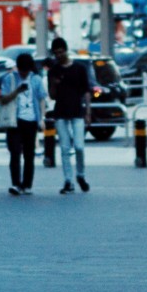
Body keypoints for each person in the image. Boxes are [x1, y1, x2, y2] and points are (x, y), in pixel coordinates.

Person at [0, 51, 46, 196]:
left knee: (29, 154)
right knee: (15, 153)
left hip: (31, 120)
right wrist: (17, 90)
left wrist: (41, 118)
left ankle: (27, 184)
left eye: (26, 70)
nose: (23, 73)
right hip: (14, 121)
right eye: (21, 70)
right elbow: (3, 99)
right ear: (17, 67)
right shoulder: (9, 79)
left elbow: (42, 98)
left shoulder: (36, 79)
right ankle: (16, 184)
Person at [46, 37, 91, 194]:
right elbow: (52, 96)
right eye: (56, 53)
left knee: (79, 146)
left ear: (66, 50)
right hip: (61, 112)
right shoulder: (53, 71)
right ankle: (68, 180)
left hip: (77, 111)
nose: (58, 55)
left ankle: (81, 174)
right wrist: (54, 84)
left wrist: (88, 112)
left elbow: (86, 91)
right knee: (65, 148)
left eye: (60, 52)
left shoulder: (79, 68)